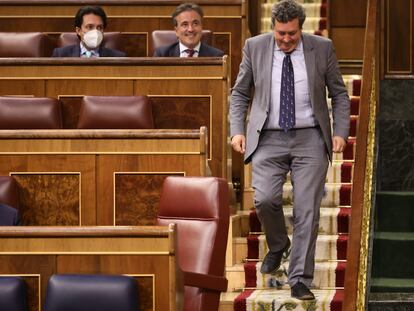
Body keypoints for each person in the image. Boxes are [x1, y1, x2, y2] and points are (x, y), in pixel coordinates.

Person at [229, 0, 350, 300]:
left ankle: (299, 278)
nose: (286, 40)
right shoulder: (254, 47)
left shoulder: (322, 48)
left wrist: (340, 133)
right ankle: (279, 243)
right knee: (265, 199)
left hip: (310, 137)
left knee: (306, 209)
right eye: (281, 33)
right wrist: (237, 130)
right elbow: (240, 93)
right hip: (268, 137)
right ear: (273, 28)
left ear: (301, 28)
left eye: (292, 34)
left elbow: (339, 93)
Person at [153, 3, 224, 57]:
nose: (190, 29)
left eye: (195, 23)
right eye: (185, 24)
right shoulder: (162, 54)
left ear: (201, 27)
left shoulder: (217, 56)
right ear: (176, 31)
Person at [52, 5, 125, 57]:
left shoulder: (118, 57)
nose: (95, 32)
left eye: (99, 27)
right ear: (79, 31)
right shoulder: (60, 55)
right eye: (90, 27)